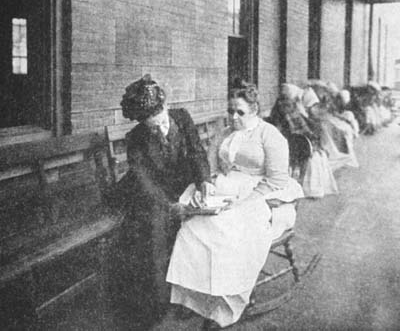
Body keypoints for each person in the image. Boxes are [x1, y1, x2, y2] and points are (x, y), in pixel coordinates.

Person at [166, 82, 304, 328]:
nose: (233, 117)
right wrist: (205, 187)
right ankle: (197, 298)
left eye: (240, 112)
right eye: (230, 111)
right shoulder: (224, 132)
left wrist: (244, 202)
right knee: (192, 228)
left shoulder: (270, 135)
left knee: (226, 231)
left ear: (255, 109)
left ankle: (224, 301)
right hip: (223, 189)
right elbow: (209, 167)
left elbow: (277, 180)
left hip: (259, 194)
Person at [113, 74, 213, 328]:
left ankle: (196, 294)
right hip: (148, 194)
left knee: (203, 226)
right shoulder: (135, 138)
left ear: (166, 108)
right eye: (151, 128)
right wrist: (171, 207)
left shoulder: (182, 117)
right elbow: (143, 181)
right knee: (156, 232)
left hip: (183, 184)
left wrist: (204, 182)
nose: (158, 131)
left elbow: (198, 152)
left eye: (160, 124)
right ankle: (161, 304)